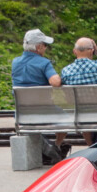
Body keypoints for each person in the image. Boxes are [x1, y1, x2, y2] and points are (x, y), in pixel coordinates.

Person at [11, 29, 67, 163]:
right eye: (45, 45)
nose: (46, 48)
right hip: (44, 110)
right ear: (39, 47)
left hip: (22, 112)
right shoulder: (44, 63)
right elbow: (55, 81)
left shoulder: (15, 62)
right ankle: (57, 146)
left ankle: (46, 149)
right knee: (66, 118)